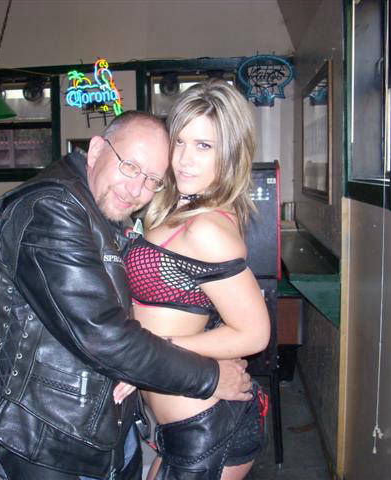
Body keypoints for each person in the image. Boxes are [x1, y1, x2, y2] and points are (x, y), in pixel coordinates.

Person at [0, 111, 253, 480]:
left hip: (103, 423)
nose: (136, 190)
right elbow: (104, 336)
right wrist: (210, 375)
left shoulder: (100, 204)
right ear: (96, 150)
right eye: (130, 167)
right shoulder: (50, 209)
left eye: (153, 180)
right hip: (48, 437)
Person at [120, 79, 271, 479]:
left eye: (204, 146)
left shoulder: (207, 228)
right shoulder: (180, 210)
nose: (185, 160)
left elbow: (255, 333)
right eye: (180, 143)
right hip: (181, 427)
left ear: (229, 154)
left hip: (206, 431)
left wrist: (150, 353)